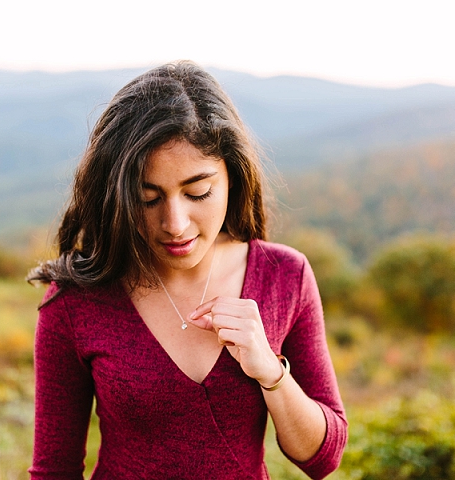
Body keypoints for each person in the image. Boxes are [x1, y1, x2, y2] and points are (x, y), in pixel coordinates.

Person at [28, 61, 347, 480]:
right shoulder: (76, 300)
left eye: (198, 192)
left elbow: (323, 459)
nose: (175, 223)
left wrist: (270, 370)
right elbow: (53, 470)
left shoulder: (284, 275)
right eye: (147, 198)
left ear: (233, 177)